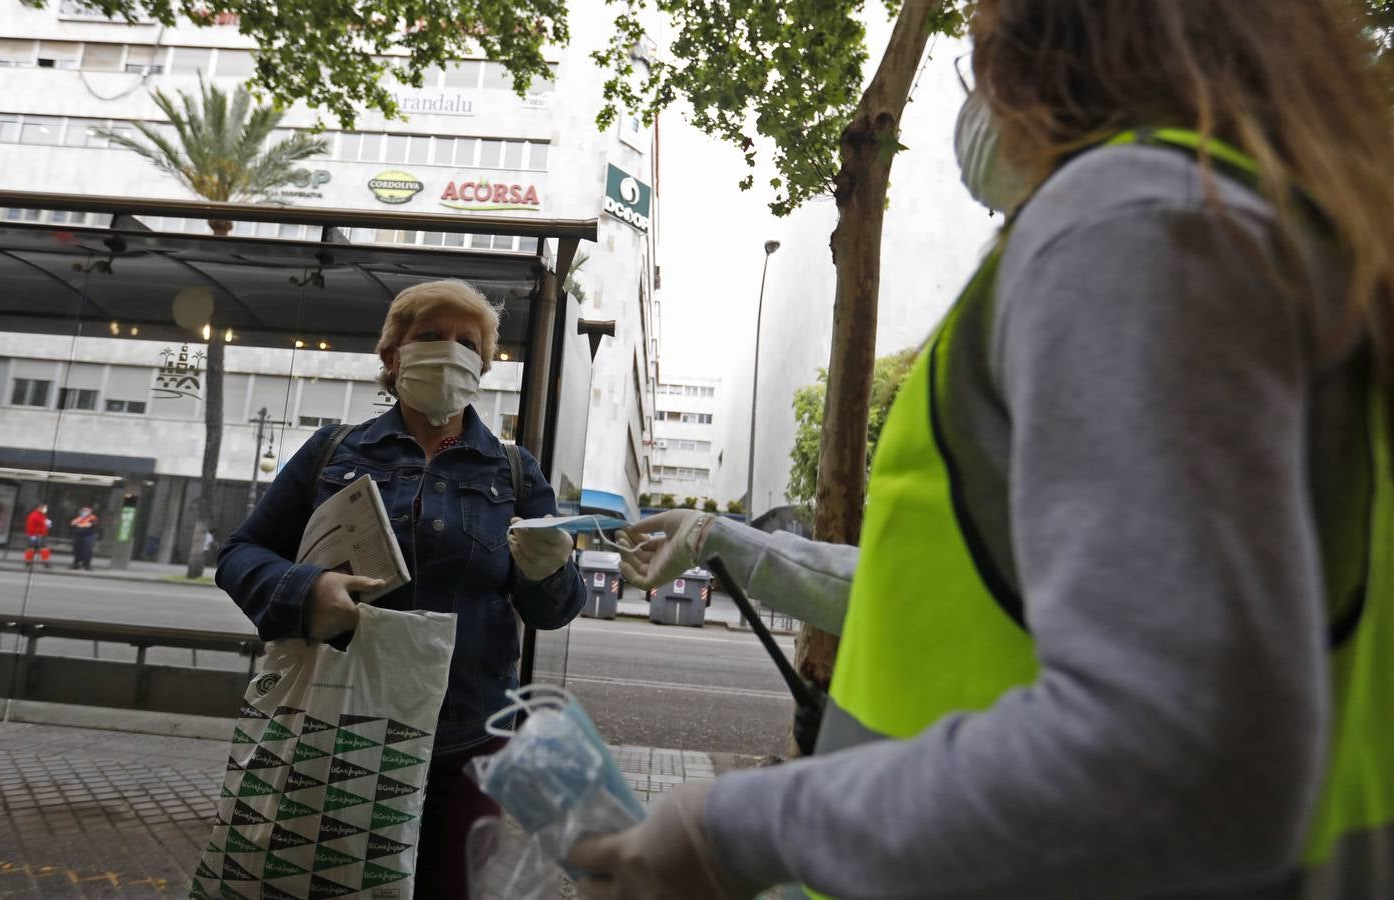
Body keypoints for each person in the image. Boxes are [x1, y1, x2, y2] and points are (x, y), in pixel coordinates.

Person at [569, 2, 1394, 898]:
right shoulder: (1287, 240)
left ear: (1054, 45)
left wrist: (736, 830)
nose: (974, 93)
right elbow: (937, 592)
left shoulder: (1135, 225)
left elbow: (1182, 754)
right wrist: (728, 540)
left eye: (975, 50)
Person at [217, 279, 586, 900]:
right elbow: (240, 554)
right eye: (430, 336)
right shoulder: (332, 450)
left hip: (470, 741)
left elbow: (554, 610)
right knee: (325, 882)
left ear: (484, 367)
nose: (449, 352)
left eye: (466, 343)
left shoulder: (515, 471)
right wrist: (306, 591)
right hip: (339, 725)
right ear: (393, 356)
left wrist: (550, 569)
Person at [69, 506, 99, 571]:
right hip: (78, 536)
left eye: (87, 511)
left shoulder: (92, 518)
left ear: (90, 512)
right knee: (77, 550)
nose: (85, 512)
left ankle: (86, 564)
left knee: (87, 550)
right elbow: (72, 524)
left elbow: (93, 525)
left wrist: (81, 525)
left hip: (88, 536)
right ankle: (76, 563)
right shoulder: (78, 518)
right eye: (83, 511)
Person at [23, 503, 51, 568]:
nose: (45, 509)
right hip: (37, 534)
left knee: (31, 548)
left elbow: (46, 523)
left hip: (36, 534)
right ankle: (45, 562)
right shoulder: (36, 515)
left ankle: (28, 562)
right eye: (44, 508)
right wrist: (48, 523)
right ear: (39, 508)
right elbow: (44, 523)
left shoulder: (39, 515)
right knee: (42, 548)